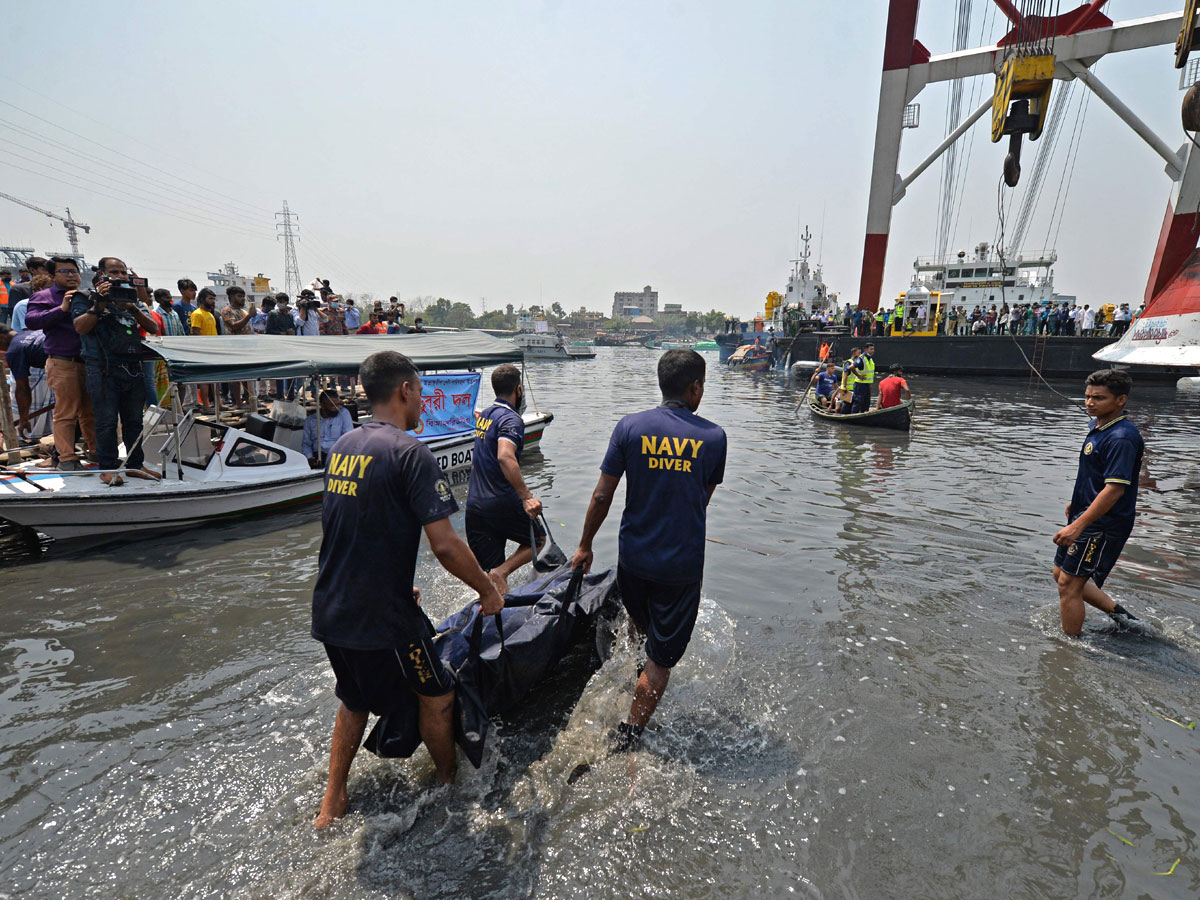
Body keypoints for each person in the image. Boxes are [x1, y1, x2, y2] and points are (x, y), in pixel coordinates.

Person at [311, 350, 504, 828]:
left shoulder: (345, 446)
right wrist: (486, 589)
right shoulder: (410, 453)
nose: (422, 400)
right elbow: (445, 545)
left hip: (330, 607)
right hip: (384, 618)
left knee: (353, 699)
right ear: (404, 391)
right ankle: (447, 786)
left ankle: (331, 804)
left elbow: (345, 526)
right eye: (419, 390)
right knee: (436, 696)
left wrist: (396, 580)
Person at [571, 349, 727, 752]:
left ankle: (636, 673)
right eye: (702, 387)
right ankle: (629, 734)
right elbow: (700, 500)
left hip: (633, 561)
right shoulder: (713, 437)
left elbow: (603, 493)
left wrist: (585, 545)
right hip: (679, 567)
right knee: (662, 661)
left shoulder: (629, 427)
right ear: (694, 388)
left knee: (642, 629)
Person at [1051, 369, 1144, 636]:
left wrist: (1078, 525)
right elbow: (1093, 473)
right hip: (1085, 512)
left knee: (1069, 584)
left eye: (1099, 398)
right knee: (1061, 574)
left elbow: (1114, 490)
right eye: (1088, 396)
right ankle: (1125, 619)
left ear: (1120, 400)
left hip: (1103, 523)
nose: (1090, 403)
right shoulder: (1099, 426)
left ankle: (1070, 647)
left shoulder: (1121, 437)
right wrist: (1075, 503)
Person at [71, 256, 160, 486]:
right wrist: (99, 304)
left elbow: (152, 327)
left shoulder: (132, 298)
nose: (120, 276)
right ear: (101, 274)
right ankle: (108, 467)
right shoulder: (85, 296)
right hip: (102, 368)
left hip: (132, 367)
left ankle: (134, 465)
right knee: (106, 422)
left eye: (123, 272)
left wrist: (133, 307)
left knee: (134, 421)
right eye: (114, 272)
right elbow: (80, 327)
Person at [465, 364, 544, 593]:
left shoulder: (486, 415)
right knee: (537, 539)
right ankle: (504, 571)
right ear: (518, 389)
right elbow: (505, 456)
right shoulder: (511, 419)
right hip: (500, 502)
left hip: (475, 507)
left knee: (494, 585)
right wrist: (527, 497)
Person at [25, 257, 98, 470]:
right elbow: (32, 321)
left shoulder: (87, 296)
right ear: (52, 276)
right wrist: (62, 308)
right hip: (63, 362)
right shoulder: (44, 296)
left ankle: (95, 452)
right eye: (64, 271)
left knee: (91, 411)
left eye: (74, 271)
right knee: (66, 413)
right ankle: (66, 458)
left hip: (89, 362)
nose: (71, 275)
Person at [2, 326, 47, 440]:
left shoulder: (14, 350)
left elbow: (23, 388)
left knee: (68, 414)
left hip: (69, 364)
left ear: (1, 338)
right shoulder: (33, 332)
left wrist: (23, 419)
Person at [220, 287, 256, 405]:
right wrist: (249, 316)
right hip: (234, 348)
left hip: (247, 348)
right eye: (239, 296)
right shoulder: (227, 310)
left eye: (242, 296)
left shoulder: (244, 311)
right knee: (236, 377)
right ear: (231, 297)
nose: (242, 299)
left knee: (247, 376)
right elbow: (234, 326)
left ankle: (248, 399)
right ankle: (238, 402)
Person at [302, 390, 354, 465]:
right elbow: (306, 443)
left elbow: (348, 439)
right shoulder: (310, 420)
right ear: (322, 405)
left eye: (337, 404)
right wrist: (309, 457)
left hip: (337, 456)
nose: (336, 408)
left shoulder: (343, 414)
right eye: (332, 405)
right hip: (318, 456)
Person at [7, 257, 49, 331]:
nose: (48, 272)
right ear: (32, 270)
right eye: (44, 269)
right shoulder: (18, 289)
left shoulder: (51, 288)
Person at [851, 343, 876, 413]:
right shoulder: (861, 358)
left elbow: (870, 374)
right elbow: (851, 367)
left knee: (866, 402)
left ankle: (864, 414)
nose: (873, 351)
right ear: (865, 350)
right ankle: (854, 416)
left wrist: (870, 385)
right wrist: (858, 375)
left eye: (873, 349)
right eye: (871, 349)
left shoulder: (870, 359)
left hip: (867, 384)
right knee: (858, 401)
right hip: (860, 384)